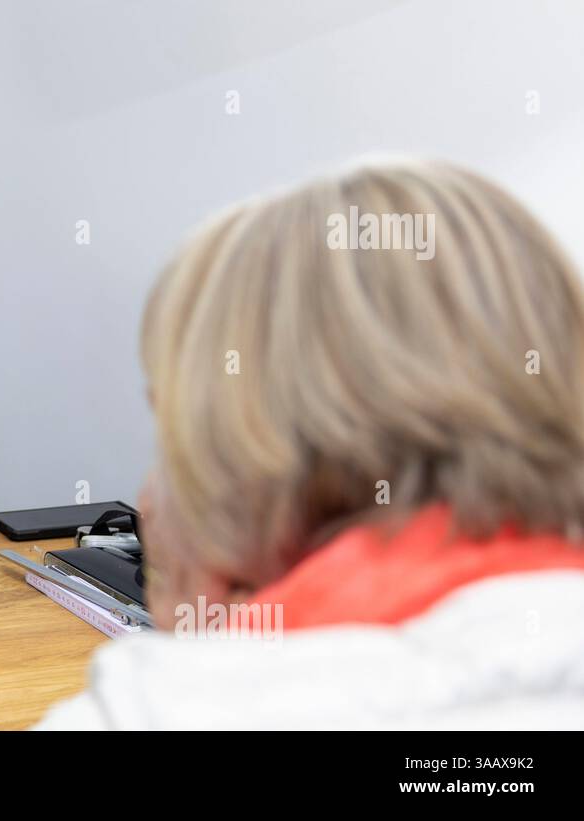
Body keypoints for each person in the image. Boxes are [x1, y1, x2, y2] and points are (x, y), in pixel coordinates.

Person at [38, 158, 584, 729]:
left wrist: (199, 652)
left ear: (241, 459)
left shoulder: (154, 713)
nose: (147, 502)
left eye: (173, 438)